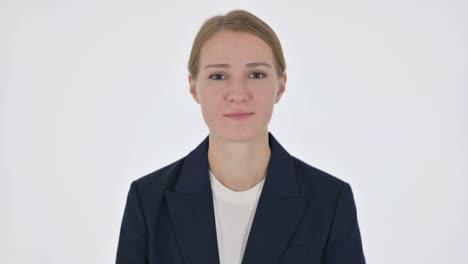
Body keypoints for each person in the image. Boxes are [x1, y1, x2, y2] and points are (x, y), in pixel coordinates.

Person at [116, 9, 366, 264]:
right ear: (193, 87)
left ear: (281, 85)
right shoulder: (148, 200)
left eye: (256, 74)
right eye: (218, 76)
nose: (237, 93)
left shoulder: (330, 201)